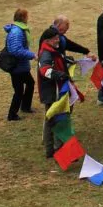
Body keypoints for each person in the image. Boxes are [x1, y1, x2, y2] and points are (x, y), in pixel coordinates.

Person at [37, 26, 72, 159]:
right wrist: (60, 75)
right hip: (51, 92)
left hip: (53, 90)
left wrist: (66, 60)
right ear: (48, 40)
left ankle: (51, 149)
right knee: (53, 120)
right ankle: (55, 149)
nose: (58, 40)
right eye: (56, 38)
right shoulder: (46, 53)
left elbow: (56, 61)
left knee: (51, 119)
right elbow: (45, 70)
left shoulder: (52, 50)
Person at [3, 8, 37, 121]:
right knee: (18, 91)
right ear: (23, 18)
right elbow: (16, 50)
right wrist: (32, 55)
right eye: (27, 16)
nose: (28, 18)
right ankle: (12, 115)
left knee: (30, 83)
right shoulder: (16, 32)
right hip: (17, 67)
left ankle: (25, 107)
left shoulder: (18, 30)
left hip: (21, 66)